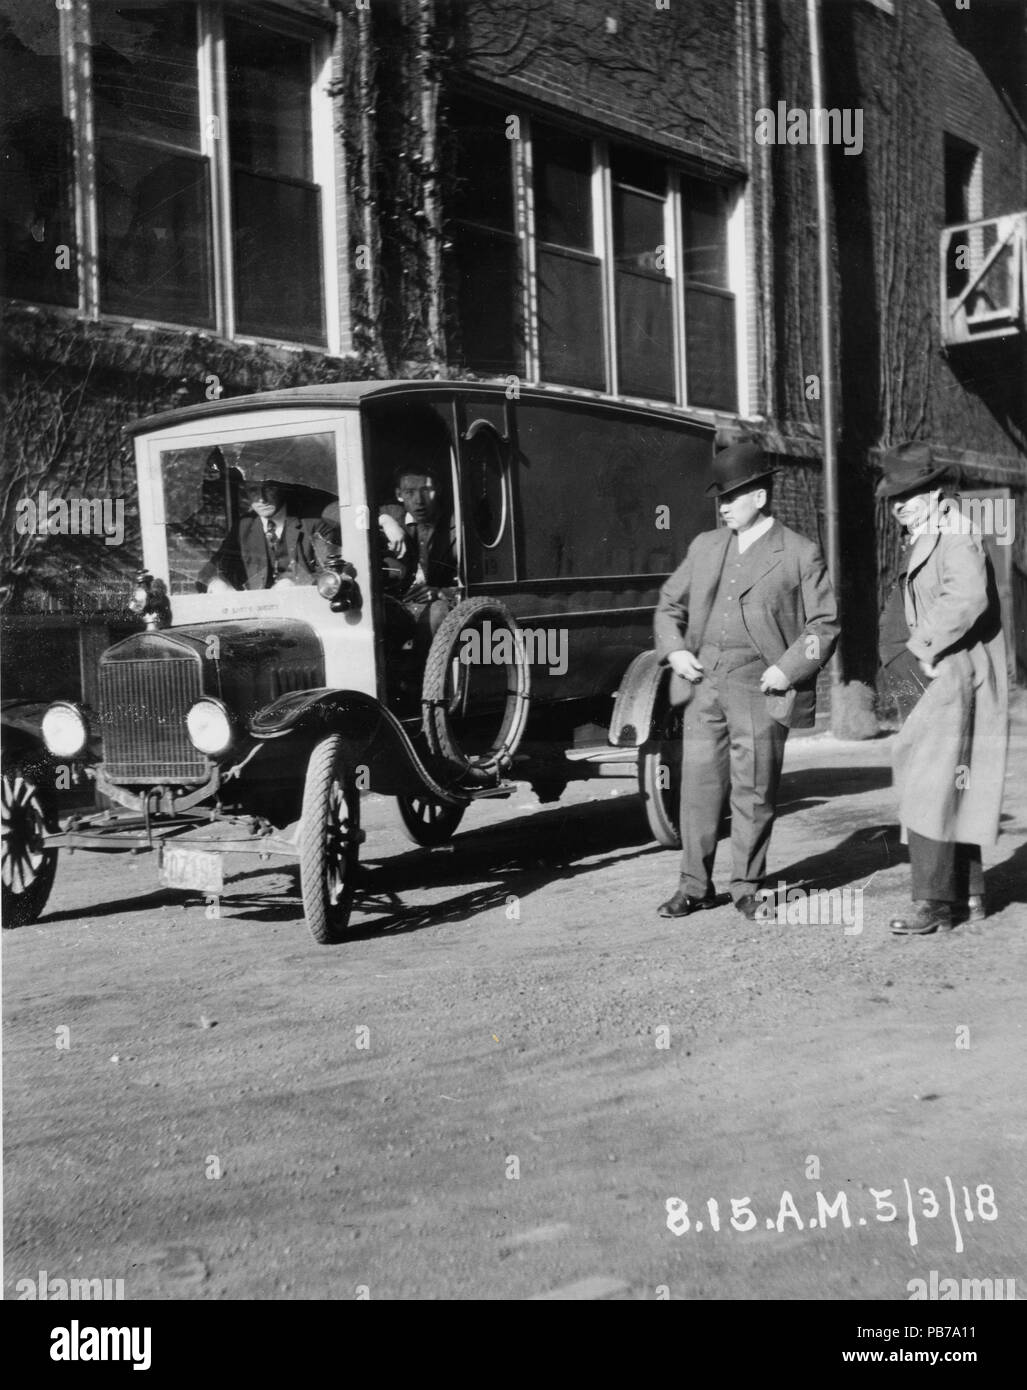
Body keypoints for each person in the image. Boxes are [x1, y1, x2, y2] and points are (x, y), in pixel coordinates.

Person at [653, 440, 839, 920]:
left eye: (730, 498)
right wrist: (675, 650)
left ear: (759, 497)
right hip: (704, 685)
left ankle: (747, 887)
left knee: (754, 789)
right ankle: (694, 886)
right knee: (697, 786)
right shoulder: (705, 546)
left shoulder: (799, 553)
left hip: (762, 686)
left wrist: (788, 668)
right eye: (719, 499)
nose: (722, 507)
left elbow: (825, 625)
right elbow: (669, 604)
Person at [877, 443, 1008, 935]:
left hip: (948, 674)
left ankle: (933, 903)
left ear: (935, 492)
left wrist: (924, 648)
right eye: (894, 498)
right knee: (954, 783)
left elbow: (968, 595)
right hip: (937, 676)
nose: (899, 506)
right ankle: (969, 894)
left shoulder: (956, 533)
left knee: (928, 783)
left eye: (909, 494)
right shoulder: (931, 532)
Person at [379, 465, 459, 651]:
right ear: (399, 494)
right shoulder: (392, 514)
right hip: (402, 605)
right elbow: (334, 511)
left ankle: (422, 677)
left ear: (437, 490)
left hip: (439, 607)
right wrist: (385, 521)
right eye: (409, 492)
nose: (419, 501)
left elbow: (473, 585)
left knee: (437, 611)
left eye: (426, 490)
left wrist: (440, 592)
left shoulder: (456, 526)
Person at [205, 476, 322, 592]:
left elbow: (333, 573)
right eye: (253, 490)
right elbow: (210, 571)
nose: (262, 499)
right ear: (246, 493)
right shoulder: (243, 527)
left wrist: (298, 584)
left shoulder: (312, 523)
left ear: (282, 487)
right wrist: (216, 583)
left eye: (269, 488)